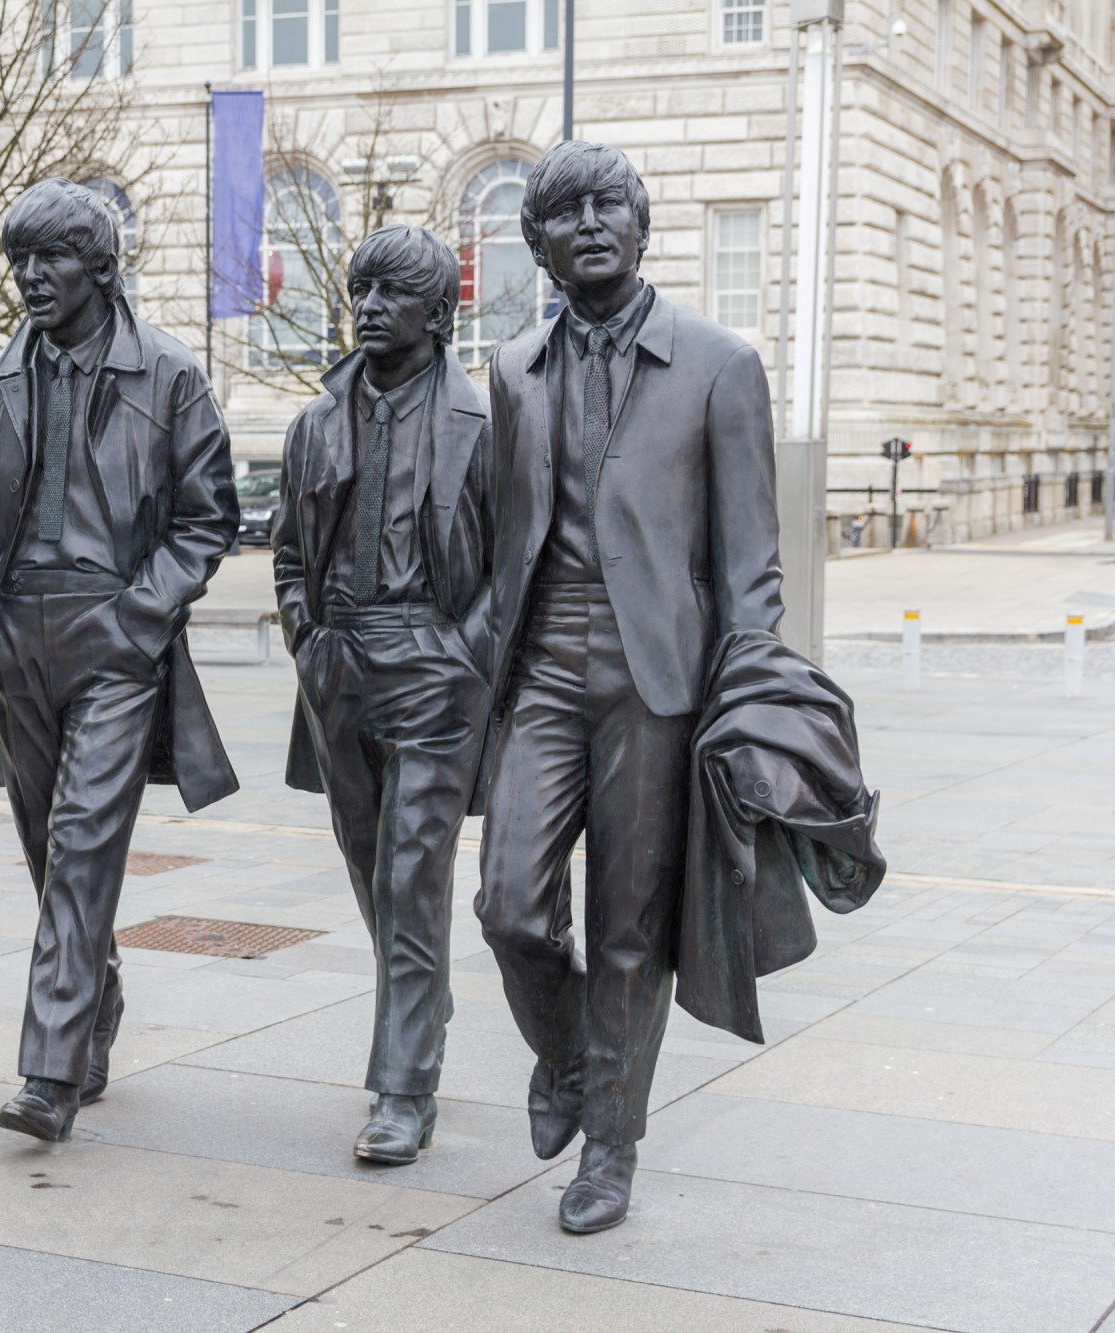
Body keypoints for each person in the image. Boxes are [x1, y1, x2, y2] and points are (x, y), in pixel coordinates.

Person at [474, 142, 783, 1232]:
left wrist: (745, 703)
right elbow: (496, 537)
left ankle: (609, 1141)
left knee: (627, 925)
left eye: (611, 205)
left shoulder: (715, 363)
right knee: (507, 904)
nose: (591, 223)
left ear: (641, 228)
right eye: (564, 210)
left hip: (660, 676)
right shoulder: (512, 372)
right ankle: (565, 1053)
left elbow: (751, 566)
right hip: (544, 664)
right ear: (539, 243)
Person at [0, 178, 240, 1142]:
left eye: (52, 260)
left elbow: (209, 519)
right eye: (20, 262)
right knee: (47, 850)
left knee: (83, 846)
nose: (31, 279)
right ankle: (97, 991)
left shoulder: (167, 375)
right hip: (17, 640)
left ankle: (50, 1069)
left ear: (102, 267)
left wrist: (141, 615)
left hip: (115, 636)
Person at [271, 225, 494, 1165]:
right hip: (340, 668)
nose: (367, 308)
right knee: (371, 870)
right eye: (361, 291)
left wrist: (460, 654)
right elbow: (288, 551)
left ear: (441, 315)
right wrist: (306, 638)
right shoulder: (316, 421)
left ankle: (403, 1088)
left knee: (412, 874)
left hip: (432, 668)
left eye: (393, 295)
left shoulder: (483, 425)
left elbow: (511, 566)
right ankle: (422, 1002)